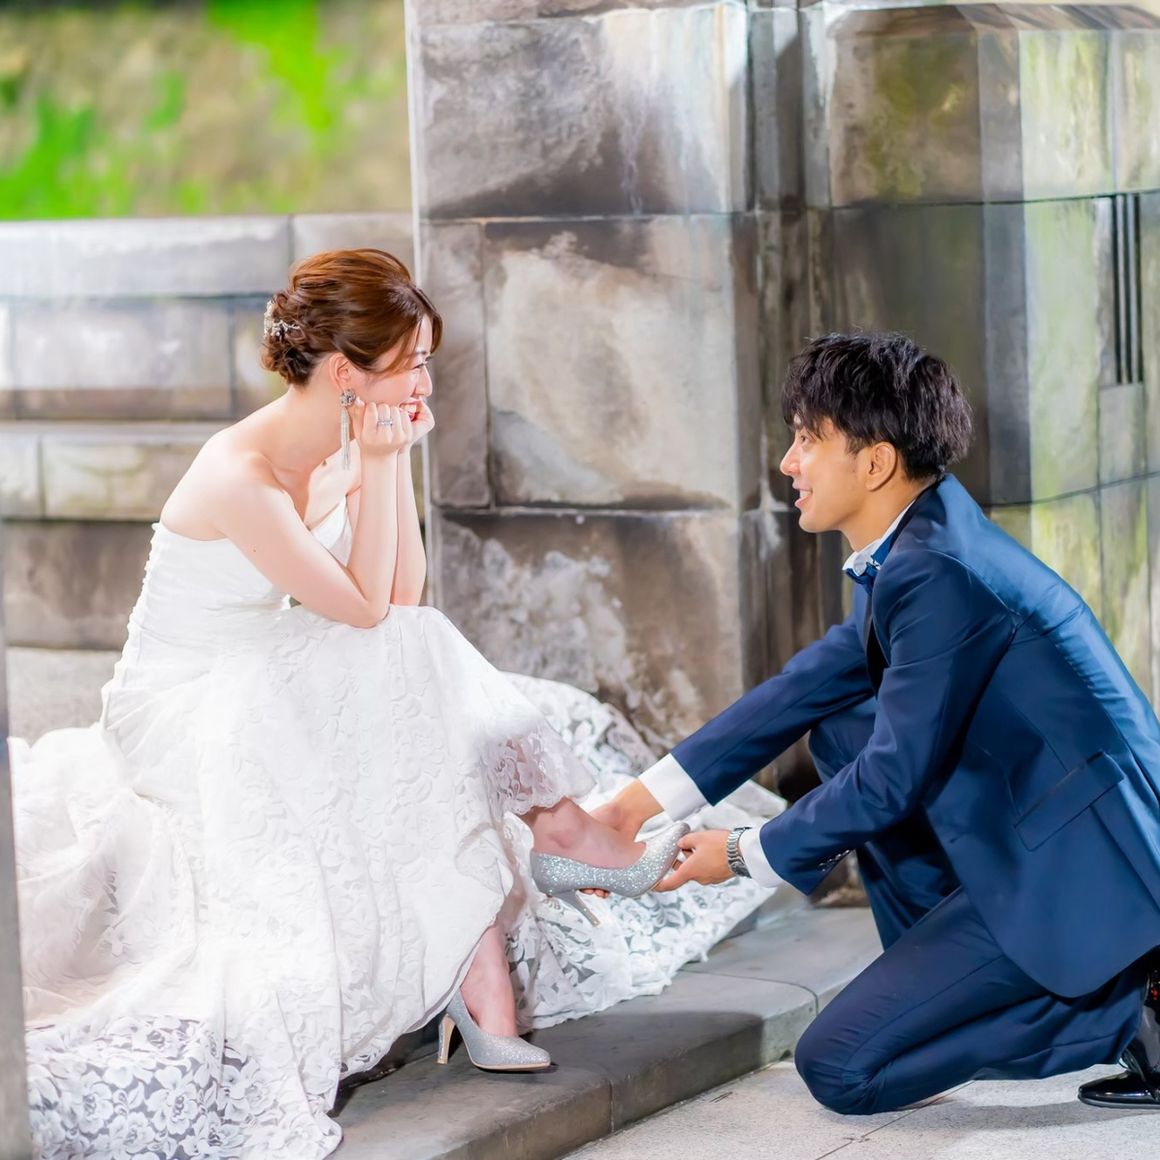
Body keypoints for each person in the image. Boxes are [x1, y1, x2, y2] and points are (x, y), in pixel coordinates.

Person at [9, 249, 779, 1159]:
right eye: (411, 363)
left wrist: (388, 463)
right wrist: (377, 460)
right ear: (346, 372)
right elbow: (365, 610)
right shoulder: (240, 473)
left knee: (411, 657)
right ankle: (548, 863)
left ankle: (501, 934)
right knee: (397, 658)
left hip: (257, 676)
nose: (424, 382)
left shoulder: (336, 443)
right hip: (177, 710)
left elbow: (402, 604)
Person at [596, 331, 1160, 1115]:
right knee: (841, 726)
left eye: (807, 439)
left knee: (841, 1067)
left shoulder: (937, 573)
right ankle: (965, 979)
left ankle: (1129, 1008)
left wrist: (741, 852)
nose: (788, 463)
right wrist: (631, 806)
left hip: (1084, 864)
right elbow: (797, 692)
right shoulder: (918, 540)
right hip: (1037, 831)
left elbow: (893, 777)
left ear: (876, 463)